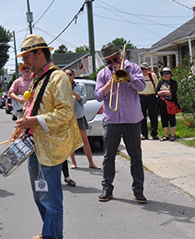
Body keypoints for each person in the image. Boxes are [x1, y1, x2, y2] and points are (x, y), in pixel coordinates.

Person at [14, 34, 82, 239]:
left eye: (27, 57)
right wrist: (25, 122)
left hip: (51, 148)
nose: (25, 62)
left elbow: (65, 112)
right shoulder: (38, 78)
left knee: (50, 196)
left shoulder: (58, 77)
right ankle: (49, 231)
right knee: (40, 192)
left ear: (39, 53)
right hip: (36, 144)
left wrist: (33, 121)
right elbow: (34, 105)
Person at [95, 43, 147, 204]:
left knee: (136, 157)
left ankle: (138, 191)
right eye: (108, 62)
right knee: (108, 157)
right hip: (111, 121)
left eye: (114, 59)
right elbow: (98, 96)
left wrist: (127, 76)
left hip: (132, 120)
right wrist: (110, 83)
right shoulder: (103, 74)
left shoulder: (134, 68)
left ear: (120, 55)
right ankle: (107, 189)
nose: (112, 64)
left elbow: (142, 87)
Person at [64, 69, 100, 170]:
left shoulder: (80, 86)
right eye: (66, 74)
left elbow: (84, 101)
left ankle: (91, 162)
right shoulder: (61, 87)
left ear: (74, 75)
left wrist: (74, 93)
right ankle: (74, 163)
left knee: (85, 140)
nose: (68, 76)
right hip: (68, 118)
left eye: (70, 74)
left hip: (79, 116)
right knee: (71, 141)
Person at [156, 67, 180, 141]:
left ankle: (172, 135)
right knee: (164, 119)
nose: (165, 75)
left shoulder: (173, 83)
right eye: (164, 74)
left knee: (172, 118)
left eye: (167, 73)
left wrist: (163, 92)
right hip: (162, 103)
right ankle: (166, 135)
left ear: (170, 74)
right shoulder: (160, 83)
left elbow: (172, 93)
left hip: (171, 103)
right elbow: (157, 92)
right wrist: (165, 93)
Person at [139, 62, 159, 140]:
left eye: (145, 69)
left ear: (148, 69)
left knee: (153, 116)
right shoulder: (139, 76)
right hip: (141, 97)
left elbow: (156, 85)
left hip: (151, 97)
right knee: (142, 117)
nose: (143, 70)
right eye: (142, 69)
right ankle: (144, 134)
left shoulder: (152, 75)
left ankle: (154, 133)